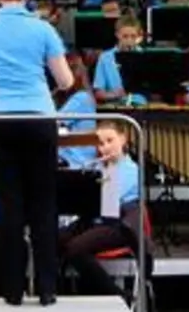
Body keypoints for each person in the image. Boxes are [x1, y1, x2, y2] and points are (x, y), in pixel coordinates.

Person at [0, 0, 76, 306]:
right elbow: (66, 80)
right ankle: (47, 289)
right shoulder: (43, 29)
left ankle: (12, 291)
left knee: (8, 207)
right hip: (39, 118)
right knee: (43, 204)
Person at [60, 121, 150, 301]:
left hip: (120, 225)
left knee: (75, 249)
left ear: (123, 139)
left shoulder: (131, 169)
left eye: (110, 141)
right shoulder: (98, 168)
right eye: (101, 144)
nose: (105, 148)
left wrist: (101, 174)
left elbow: (109, 200)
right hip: (95, 221)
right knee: (51, 240)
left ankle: (118, 296)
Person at [56, 55, 98, 170]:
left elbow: (54, 121)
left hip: (78, 162)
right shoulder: (79, 97)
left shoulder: (81, 98)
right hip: (71, 159)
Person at [92, 15, 146, 106]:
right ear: (117, 34)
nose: (129, 40)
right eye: (125, 36)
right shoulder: (105, 58)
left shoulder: (144, 55)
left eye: (133, 36)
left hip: (141, 106)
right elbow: (98, 93)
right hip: (116, 105)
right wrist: (114, 95)